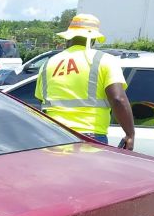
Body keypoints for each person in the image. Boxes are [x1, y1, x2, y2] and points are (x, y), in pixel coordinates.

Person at [34, 14, 135, 149]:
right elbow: (117, 99)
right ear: (93, 39)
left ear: (69, 37)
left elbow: (42, 101)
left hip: (53, 135)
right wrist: (130, 134)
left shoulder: (48, 63)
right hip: (89, 136)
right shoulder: (104, 60)